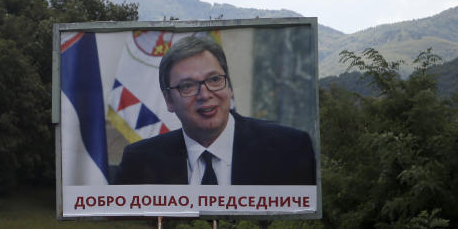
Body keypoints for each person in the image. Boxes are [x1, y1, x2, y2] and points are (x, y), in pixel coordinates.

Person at [114, 35, 316, 186]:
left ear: (229, 86)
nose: (205, 94)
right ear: (169, 100)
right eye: (187, 86)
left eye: (214, 80)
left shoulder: (289, 149)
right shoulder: (139, 161)